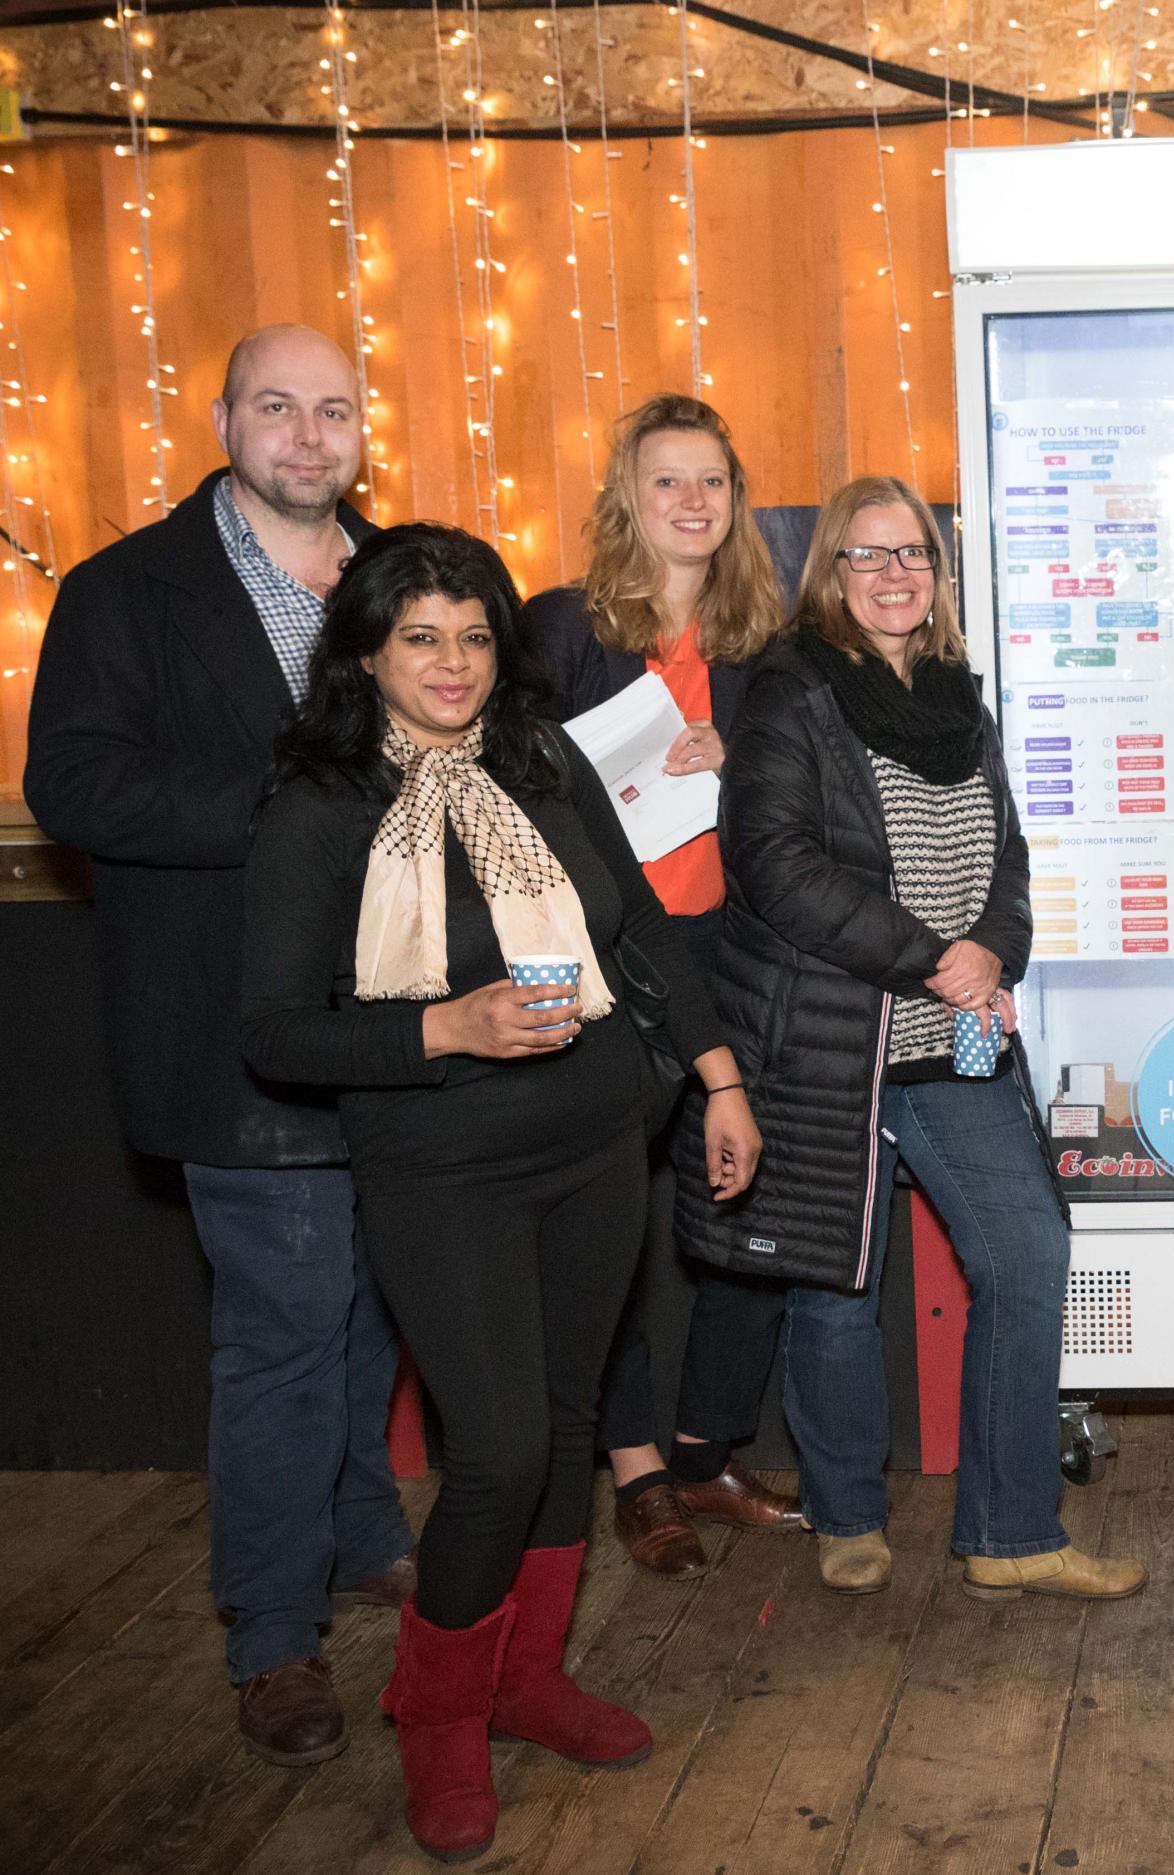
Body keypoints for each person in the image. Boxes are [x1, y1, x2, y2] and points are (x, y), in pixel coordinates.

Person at [239, 524, 761, 1861]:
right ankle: (438, 1715)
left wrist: (718, 1077)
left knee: (573, 1416)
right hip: (441, 1163)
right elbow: (278, 1032)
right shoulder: (322, 800)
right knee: (502, 1448)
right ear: (367, 650)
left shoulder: (543, 754)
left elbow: (635, 927)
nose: (454, 661)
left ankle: (523, 1682)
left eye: (474, 634)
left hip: (594, 1142)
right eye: (421, 635)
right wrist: (443, 1029)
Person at [22, 325, 415, 1767]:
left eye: (332, 411)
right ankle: (270, 1630)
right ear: (224, 416)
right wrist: (290, 795)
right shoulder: (131, 589)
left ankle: (365, 1532)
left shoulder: (400, 581)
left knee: (380, 1299)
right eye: (276, 408)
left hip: (403, 1022)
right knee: (285, 1326)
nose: (307, 437)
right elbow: (71, 781)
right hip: (239, 1040)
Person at [675, 474, 1145, 1604]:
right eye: (868, 556)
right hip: (830, 1038)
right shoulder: (790, 695)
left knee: (1027, 1256)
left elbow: (1010, 856)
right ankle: (845, 1514)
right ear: (830, 573)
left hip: (958, 1034)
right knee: (837, 1285)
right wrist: (937, 956)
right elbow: (778, 867)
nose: (894, 576)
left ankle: (1010, 1532)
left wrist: (995, 949)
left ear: (937, 577)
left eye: (913, 557)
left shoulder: (956, 698)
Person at [525, 393, 802, 1579]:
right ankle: (637, 1472)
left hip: (733, 952)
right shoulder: (557, 632)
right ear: (625, 500)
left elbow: (815, 795)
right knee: (614, 1225)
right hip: (603, 961)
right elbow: (511, 787)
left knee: (765, 1205)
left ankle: (702, 1448)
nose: (692, 503)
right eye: (666, 481)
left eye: (712, 482)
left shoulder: (767, 647)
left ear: (735, 502)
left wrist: (742, 761)